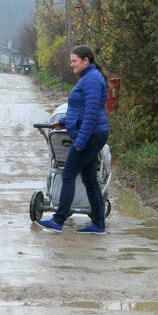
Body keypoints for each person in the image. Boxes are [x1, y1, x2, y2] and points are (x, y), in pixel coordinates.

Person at [36, 45, 110, 234]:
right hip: (93, 134)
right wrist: (62, 121)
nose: (71, 64)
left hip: (90, 135)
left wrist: (81, 141)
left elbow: (91, 115)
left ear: (86, 60)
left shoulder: (92, 80)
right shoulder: (88, 78)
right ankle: (99, 224)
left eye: (74, 61)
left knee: (68, 174)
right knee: (89, 178)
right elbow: (80, 110)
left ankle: (58, 220)